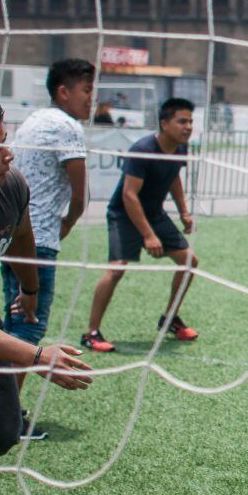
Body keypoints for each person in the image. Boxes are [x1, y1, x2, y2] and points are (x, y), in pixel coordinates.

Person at [0, 100, 92, 495]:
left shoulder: (10, 186)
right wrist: (35, 356)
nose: (10, 154)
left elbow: (20, 234)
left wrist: (30, 288)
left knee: (0, 428)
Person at [0, 59, 93, 439]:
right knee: (26, 328)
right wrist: (67, 223)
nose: (91, 99)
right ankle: (8, 418)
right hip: (36, 240)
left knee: (8, 324)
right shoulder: (67, 127)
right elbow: (79, 191)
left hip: (8, 234)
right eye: (86, 90)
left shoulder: (34, 120)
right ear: (63, 92)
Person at [82, 98, 199, 352]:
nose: (188, 126)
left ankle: (169, 319)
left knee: (190, 261)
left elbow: (174, 178)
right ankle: (91, 333)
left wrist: (184, 212)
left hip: (154, 213)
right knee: (116, 269)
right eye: (182, 121)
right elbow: (129, 195)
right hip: (124, 215)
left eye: (190, 121)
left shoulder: (180, 148)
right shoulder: (143, 149)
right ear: (164, 124)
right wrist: (148, 235)